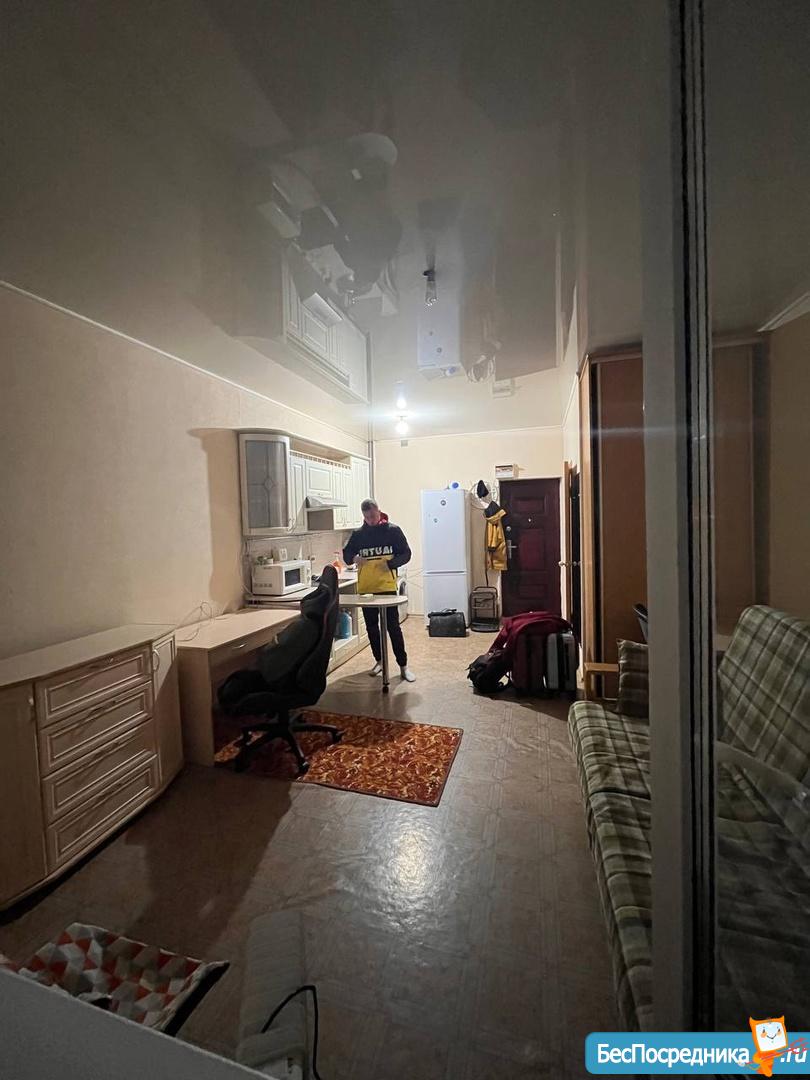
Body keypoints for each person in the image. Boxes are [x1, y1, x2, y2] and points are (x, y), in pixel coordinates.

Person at [342, 498, 415, 682]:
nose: (371, 520)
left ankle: (403, 666)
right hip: (366, 589)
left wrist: (390, 564)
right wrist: (354, 558)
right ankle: (380, 661)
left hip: (386, 587)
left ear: (379, 511)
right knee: (372, 628)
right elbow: (346, 555)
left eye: (373, 516)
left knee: (393, 627)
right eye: (367, 517)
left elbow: (407, 554)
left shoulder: (393, 531)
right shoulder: (358, 535)